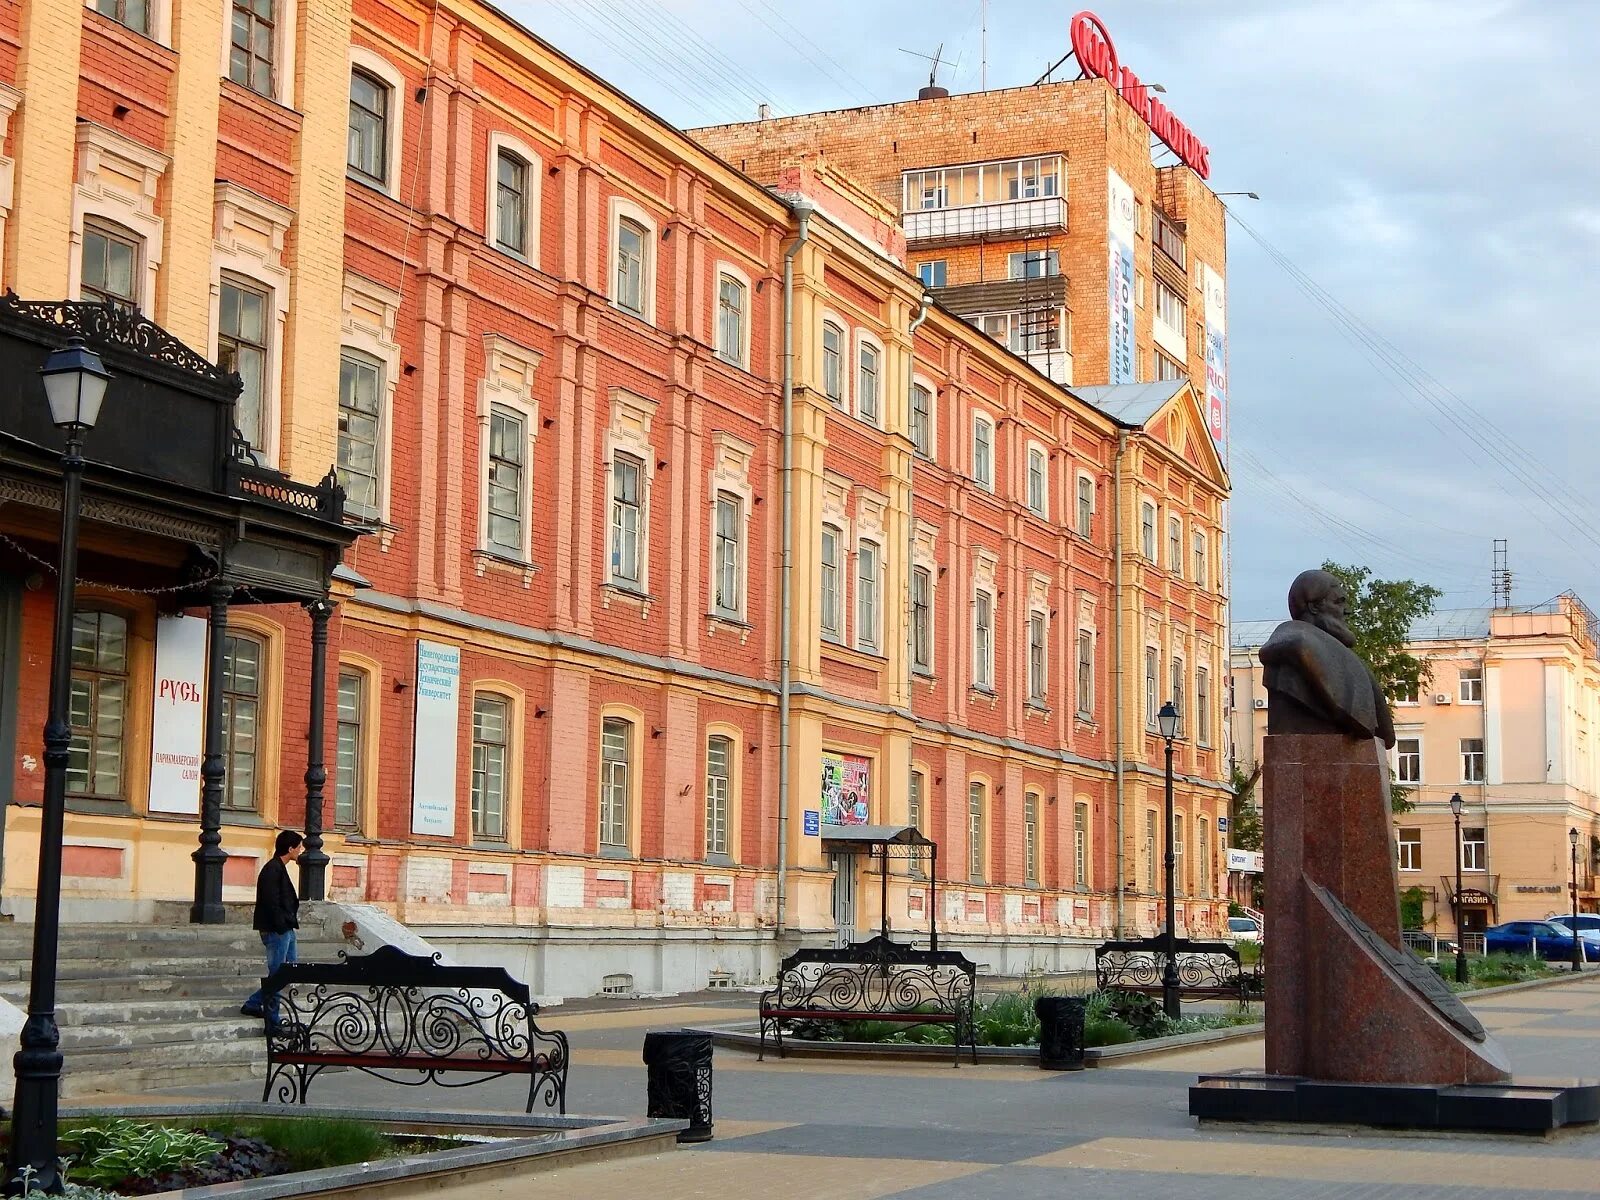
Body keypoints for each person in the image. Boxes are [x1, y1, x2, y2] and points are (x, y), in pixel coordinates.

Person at [1258, 569, 1395, 748]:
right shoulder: (1298, 646)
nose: (1347, 611)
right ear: (1314, 606)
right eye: (1339, 602)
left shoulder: (1339, 655)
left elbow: (1386, 737)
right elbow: (1296, 645)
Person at [241, 829, 303, 1028]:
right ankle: (272, 1022)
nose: (301, 850)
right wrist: (281, 925)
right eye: (299, 847)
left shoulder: (279, 868)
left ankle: (253, 1003)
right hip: (277, 930)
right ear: (290, 848)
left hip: (285, 929)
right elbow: (271, 902)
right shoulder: (272, 869)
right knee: (277, 974)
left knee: (290, 968)